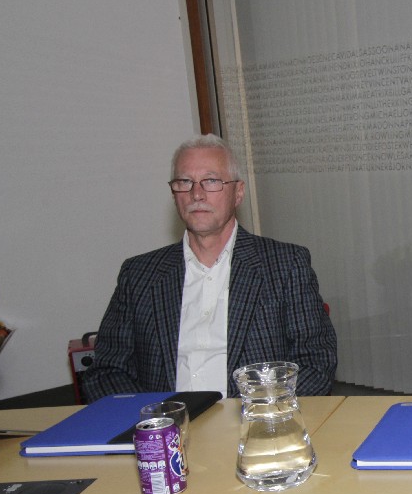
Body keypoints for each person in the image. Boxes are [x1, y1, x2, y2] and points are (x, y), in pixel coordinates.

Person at [83, 134, 337, 401]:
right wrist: (154, 418)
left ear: (238, 192)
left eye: (212, 181)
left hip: (254, 419)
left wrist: (255, 413)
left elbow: (317, 362)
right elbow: (106, 371)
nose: (196, 194)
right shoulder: (139, 275)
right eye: (185, 182)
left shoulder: (284, 266)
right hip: (165, 422)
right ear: (174, 194)